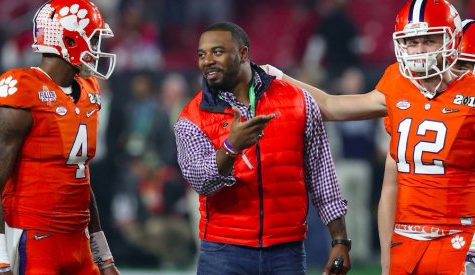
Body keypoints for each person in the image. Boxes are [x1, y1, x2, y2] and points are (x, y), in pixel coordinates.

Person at [263, 0, 475, 274]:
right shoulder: (398, 82)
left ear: (452, 40)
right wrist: (279, 77)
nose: (419, 51)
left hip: (459, 236)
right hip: (407, 238)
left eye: (429, 41)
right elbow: (331, 106)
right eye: (412, 42)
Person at [174, 21, 351, 275]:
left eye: (217, 52)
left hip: (286, 250)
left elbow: (322, 176)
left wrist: (340, 240)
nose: (207, 61)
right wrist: (231, 147)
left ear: (243, 54)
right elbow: (201, 182)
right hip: (223, 250)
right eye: (201, 55)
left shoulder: (298, 101)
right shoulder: (191, 118)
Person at [0, 0, 119, 274]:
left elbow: (80, 177)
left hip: (79, 240)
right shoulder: (22, 91)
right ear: (69, 40)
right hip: (36, 240)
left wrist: (103, 254)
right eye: (93, 39)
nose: (96, 50)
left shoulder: (88, 90)